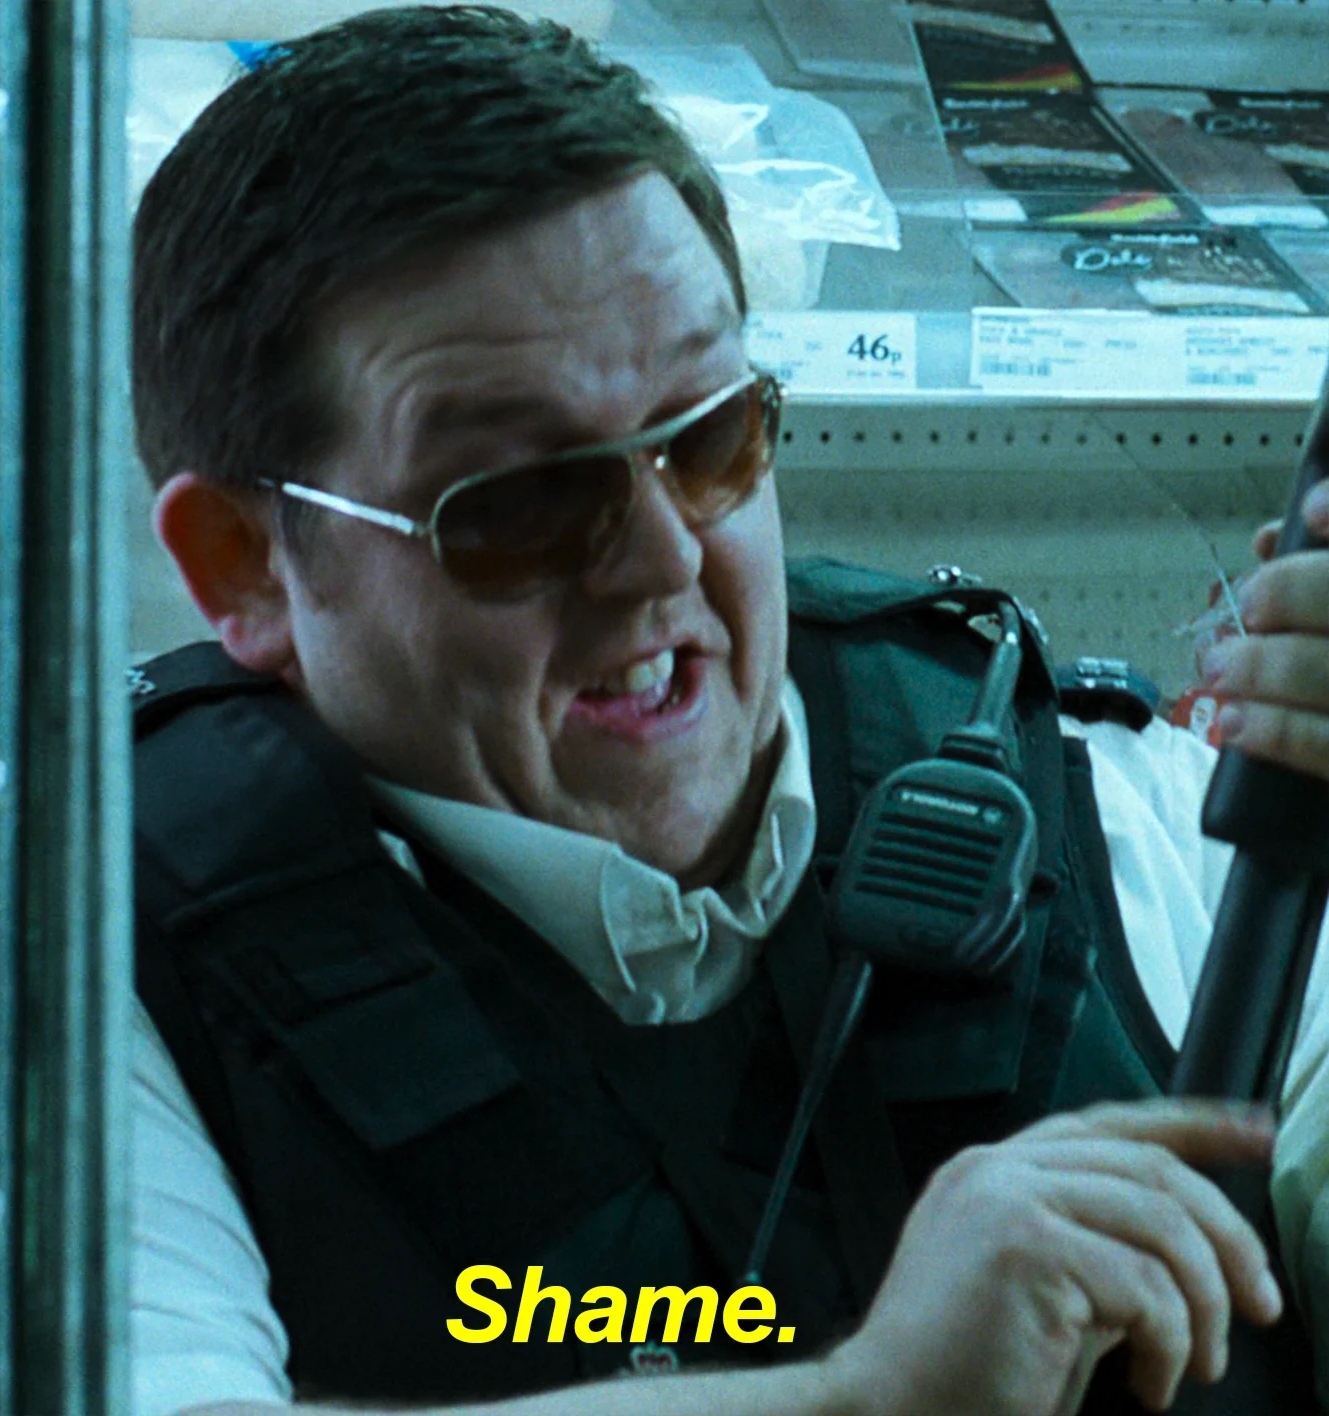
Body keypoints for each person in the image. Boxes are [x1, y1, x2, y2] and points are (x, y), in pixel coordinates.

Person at [123, 8, 1329, 1416]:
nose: (661, 561)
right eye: (520, 499)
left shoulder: (1113, 819)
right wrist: (868, 1399)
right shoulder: (87, 974)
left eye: (708, 438)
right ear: (245, 564)